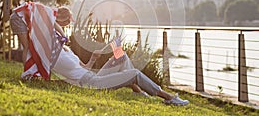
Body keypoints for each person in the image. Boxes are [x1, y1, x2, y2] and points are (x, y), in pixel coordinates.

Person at [52, 45, 189, 106]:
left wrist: (93, 58)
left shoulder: (67, 50)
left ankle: (137, 91)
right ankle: (169, 98)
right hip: (89, 84)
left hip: (92, 76)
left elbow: (84, 67)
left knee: (120, 55)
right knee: (134, 73)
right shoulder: (55, 55)